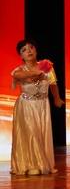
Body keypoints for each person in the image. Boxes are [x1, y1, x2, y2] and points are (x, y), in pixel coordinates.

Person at [10, 39, 63, 175]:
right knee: (31, 133)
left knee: (42, 133)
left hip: (43, 105)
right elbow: (19, 75)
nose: (28, 51)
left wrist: (57, 98)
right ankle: (31, 164)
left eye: (31, 47)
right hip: (27, 106)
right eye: (24, 50)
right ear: (21, 55)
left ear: (36, 50)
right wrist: (38, 72)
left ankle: (44, 164)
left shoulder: (47, 66)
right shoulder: (19, 70)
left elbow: (53, 84)